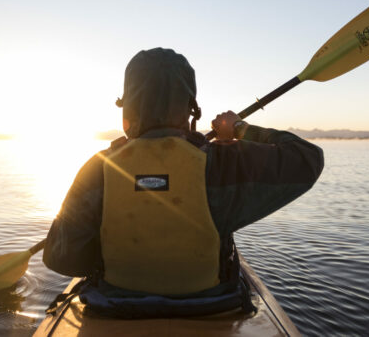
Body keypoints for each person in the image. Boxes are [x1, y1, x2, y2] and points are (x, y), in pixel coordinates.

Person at [43, 47, 323, 317]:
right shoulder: (223, 163)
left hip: (115, 307)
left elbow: (63, 259)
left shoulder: (97, 168)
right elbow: (308, 158)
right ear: (191, 108)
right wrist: (240, 129)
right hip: (211, 307)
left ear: (127, 106)